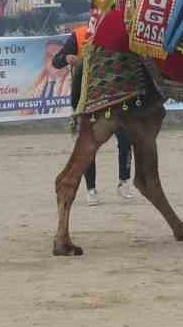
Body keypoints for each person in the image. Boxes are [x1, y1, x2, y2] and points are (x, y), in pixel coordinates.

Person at [49, 26, 136, 206]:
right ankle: (91, 189)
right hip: (88, 100)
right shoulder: (79, 35)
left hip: (115, 97)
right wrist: (66, 58)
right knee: (88, 145)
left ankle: (124, 181)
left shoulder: (117, 30)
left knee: (125, 139)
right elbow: (56, 61)